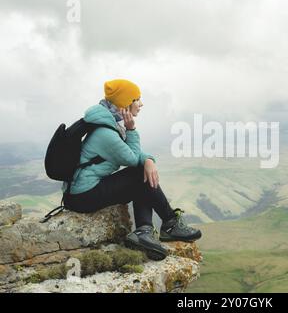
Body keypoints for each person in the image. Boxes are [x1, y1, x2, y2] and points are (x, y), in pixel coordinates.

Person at [62, 79, 201, 260]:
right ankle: (169, 224)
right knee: (138, 175)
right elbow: (131, 159)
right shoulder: (106, 132)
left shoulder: (108, 123)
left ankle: (145, 231)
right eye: (136, 99)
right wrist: (132, 130)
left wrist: (148, 160)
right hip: (81, 197)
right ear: (125, 104)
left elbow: (129, 153)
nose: (141, 104)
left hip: (81, 193)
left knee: (140, 176)